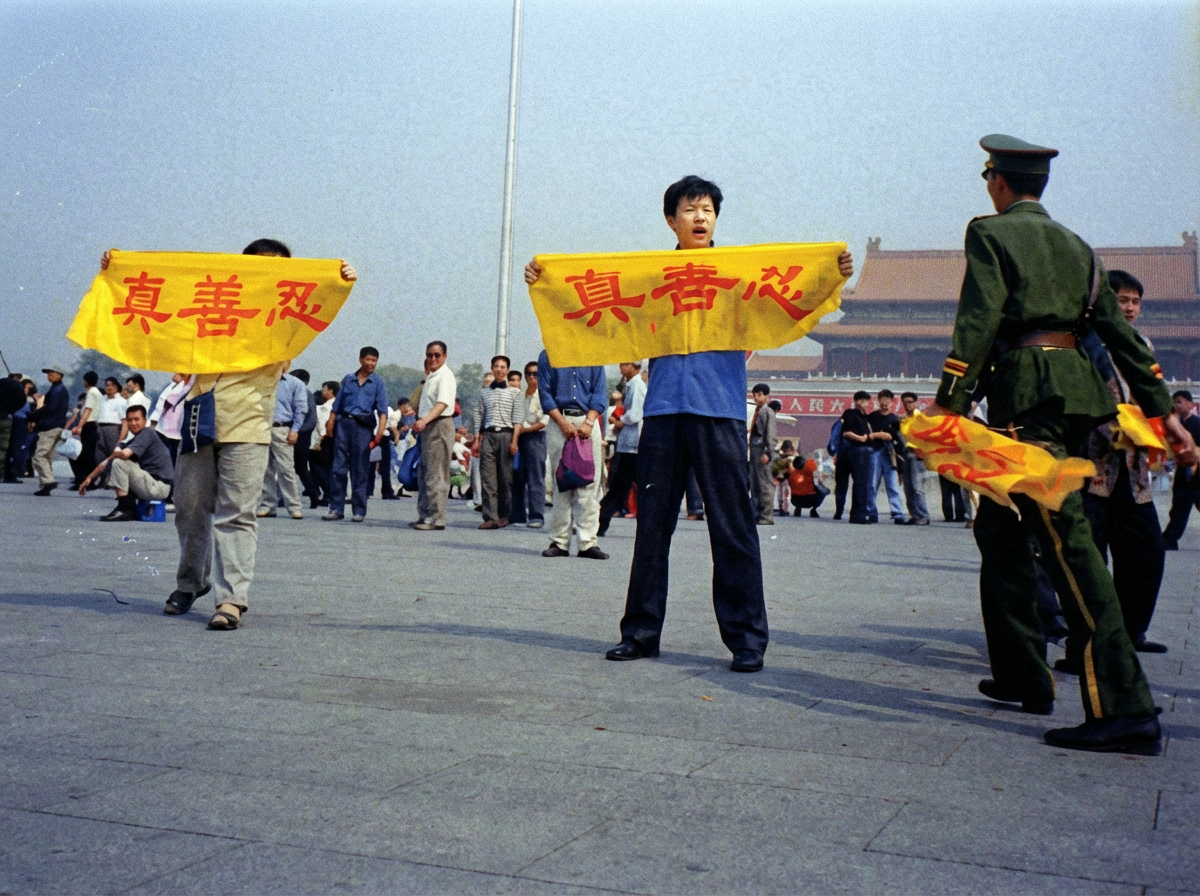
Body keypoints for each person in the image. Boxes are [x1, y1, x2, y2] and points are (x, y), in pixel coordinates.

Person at [926, 134, 1197, 754]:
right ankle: (1024, 673)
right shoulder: (1079, 246)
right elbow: (1118, 335)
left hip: (1028, 401)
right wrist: (1164, 411)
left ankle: (1126, 706)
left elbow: (980, 317)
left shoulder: (990, 235)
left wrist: (950, 400)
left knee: (1069, 545)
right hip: (1079, 397)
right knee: (999, 524)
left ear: (997, 181)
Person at [528, 175, 852, 671]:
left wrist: (832, 274)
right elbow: (593, 305)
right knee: (653, 529)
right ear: (670, 219)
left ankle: (747, 639)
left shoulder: (737, 276)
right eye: (689, 209)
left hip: (719, 410)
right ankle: (639, 632)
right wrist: (545, 282)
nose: (700, 217)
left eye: (708, 210)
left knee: (733, 527)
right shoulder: (651, 277)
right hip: (663, 413)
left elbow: (789, 299)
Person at [102, 239, 359, 629]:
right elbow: (169, 308)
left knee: (237, 512)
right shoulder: (213, 304)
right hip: (200, 418)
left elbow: (319, 303)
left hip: (250, 423)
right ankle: (191, 582)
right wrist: (118, 270)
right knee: (188, 507)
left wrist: (339, 282)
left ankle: (232, 599)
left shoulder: (284, 318)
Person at [1077, 271, 1169, 655]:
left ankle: (1132, 632)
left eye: (1135, 301)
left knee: (1147, 551)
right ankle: (1088, 643)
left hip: (1134, 472)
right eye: (1122, 301)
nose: (1129, 309)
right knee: (1091, 557)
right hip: (1093, 468)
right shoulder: (1084, 343)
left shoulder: (1141, 344)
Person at [530, 349, 608, 559]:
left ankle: (587, 542)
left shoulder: (593, 355)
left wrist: (590, 421)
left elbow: (599, 394)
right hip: (559, 421)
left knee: (588, 484)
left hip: (587, 421)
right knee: (561, 482)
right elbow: (545, 393)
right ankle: (559, 541)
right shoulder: (548, 354)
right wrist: (562, 422)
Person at [324, 347, 388, 522]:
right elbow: (337, 405)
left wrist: (380, 432)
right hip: (343, 425)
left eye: (374, 360)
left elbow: (383, 410)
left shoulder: (378, 383)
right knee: (338, 468)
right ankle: (336, 508)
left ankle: (359, 509)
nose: (371, 363)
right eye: (368, 359)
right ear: (360, 360)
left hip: (363, 427)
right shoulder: (348, 379)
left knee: (360, 468)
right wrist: (330, 423)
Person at [78, 404, 173, 521]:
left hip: (159, 486)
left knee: (120, 462)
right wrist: (89, 478)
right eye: (130, 420)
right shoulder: (134, 440)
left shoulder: (148, 433)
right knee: (118, 462)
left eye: (137, 419)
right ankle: (127, 508)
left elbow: (124, 455)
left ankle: (124, 509)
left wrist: (117, 450)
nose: (133, 423)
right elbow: (107, 461)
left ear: (144, 421)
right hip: (151, 484)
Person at [472, 355, 522, 529]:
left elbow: (517, 419)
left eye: (503, 367)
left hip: (506, 435)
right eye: (496, 366)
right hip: (488, 434)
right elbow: (478, 414)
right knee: (488, 478)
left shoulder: (515, 393)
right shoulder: (484, 392)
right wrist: (477, 440)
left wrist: (514, 440)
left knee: (505, 478)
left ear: (507, 370)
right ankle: (490, 517)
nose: (500, 370)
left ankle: (504, 515)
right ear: (492, 369)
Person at [411, 341, 457, 531]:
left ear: (445, 356)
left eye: (437, 355)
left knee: (435, 473)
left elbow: (442, 404)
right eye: (429, 355)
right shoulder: (431, 376)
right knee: (425, 472)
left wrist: (424, 420)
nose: (433, 359)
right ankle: (425, 514)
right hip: (428, 426)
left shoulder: (445, 376)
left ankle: (436, 517)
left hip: (438, 424)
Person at [598, 361, 646, 537]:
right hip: (629, 443)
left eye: (626, 364)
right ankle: (601, 520)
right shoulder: (630, 385)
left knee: (622, 486)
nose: (622, 367)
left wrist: (620, 421)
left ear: (636, 367)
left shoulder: (637, 386)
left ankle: (601, 520)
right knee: (621, 486)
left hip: (633, 444)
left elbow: (635, 414)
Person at [258, 362, 309, 520]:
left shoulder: (295, 384)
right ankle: (268, 504)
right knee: (265, 469)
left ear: (286, 365)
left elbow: (301, 408)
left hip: (282, 429)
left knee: (286, 469)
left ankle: (294, 506)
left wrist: (295, 429)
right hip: (262, 427)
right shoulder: (261, 381)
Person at [510, 361, 548, 528]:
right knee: (517, 476)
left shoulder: (544, 394)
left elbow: (545, 421)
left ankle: (536, 515)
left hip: (536, 437)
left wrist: (527, 430)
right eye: (529, 374)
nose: (532, 377)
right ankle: (518, 514)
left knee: (535, 477)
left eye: (535, 374)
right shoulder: (520, 395)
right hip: (520, 437)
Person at [1162, 390, 1200, 550]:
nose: (1176, 405)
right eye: (1175, 402)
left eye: (1180, 401)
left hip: (1194, 475)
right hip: (1183, 474)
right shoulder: (1177, 424)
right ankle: (1169, 538)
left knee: (1180, 506)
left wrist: (1194, 467)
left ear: (1191, 404)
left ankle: (1169, 538)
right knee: (1179, 507)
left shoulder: (1196, 425)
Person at [28, 365, 70, 496]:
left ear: (60, 375)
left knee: (39, 456)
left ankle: (48, 481)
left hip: (50, 426)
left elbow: (50, 409)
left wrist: (34, 415)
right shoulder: (57, 389)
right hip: (56, 425)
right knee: (47, 456)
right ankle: (45, 485)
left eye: (52, 373)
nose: (49, 376)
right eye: (48, 374)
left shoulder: (57, 390)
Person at [868, 389, 908, 524]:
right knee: (872, 484)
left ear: (892, 402)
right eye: (882, 399)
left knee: (892, 485)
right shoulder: (872, 417)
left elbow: (899, 440)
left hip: (890, 454)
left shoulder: (895, 419)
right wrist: (879, 435)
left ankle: (898, 513)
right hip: (874, 452)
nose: (884, 402)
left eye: (887, 399)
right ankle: (871, 512)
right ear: (878, 400)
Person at [838, 391, 875, 524]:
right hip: (857, 450)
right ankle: (857, 515)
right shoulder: (850, 413)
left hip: (867, 451)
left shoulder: (864, 416)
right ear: (857, 401)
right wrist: (861, 438)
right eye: (864, 400)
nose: (866, 404)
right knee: (859, 482)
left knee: (865, 483)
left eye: (867, 401)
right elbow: (846, 433)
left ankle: (863, 512)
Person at [898, 393, 931, 525]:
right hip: (906, 455)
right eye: (905, 403)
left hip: (917, 455)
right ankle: (914, 514)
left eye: (910, 402)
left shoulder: (922, 419)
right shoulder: (904, 420)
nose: (908, 405)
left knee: (917, 487)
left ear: (917, 403)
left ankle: (923, 515)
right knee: (908, 487)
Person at [748, 384, 778, 526]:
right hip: (754, 450)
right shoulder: (756, 411)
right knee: (755, 483)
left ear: (766, 396)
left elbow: (771, 434)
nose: (756, 397)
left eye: (760, 394)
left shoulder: (768, 412)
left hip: (762, 450)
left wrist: (768, 452)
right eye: (754, 394)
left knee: (765, 483)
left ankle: (766, 515)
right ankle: (757, 513)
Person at [289, 368, 319, 504]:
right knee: (294, 467)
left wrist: (297, 431)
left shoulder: (305, 394)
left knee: (299, 466)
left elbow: (310, 418)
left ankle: (313, 493)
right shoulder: (301, 393)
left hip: (301, 434)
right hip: (297, 433)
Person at [69, 371, 102, 490]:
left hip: (88, 424)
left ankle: (86, 480)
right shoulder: (97, 392)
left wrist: (79, 426)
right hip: (93, 424)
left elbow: (88, 410)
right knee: (88, 453)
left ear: (86, 381)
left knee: (86, 454)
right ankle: (88, 480)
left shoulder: (91, 393)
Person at [309, 380, 338, 508]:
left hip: (325, 439)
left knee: (318, 467)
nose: (323, 391)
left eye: (324, 389)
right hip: (332, 439)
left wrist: (320, 438)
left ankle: (328, 492)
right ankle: (328, 494)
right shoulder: (335, 404)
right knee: (327, 468)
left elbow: (323, 423)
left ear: (331, 390)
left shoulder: (328, 406)